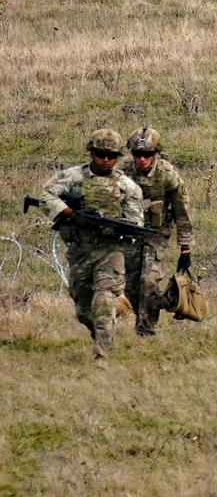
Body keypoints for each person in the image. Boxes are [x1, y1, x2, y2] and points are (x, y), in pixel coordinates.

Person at [40, 129, 144, 359]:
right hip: (80, 250)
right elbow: (46, 195)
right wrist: (70, 213)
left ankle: (102, 355)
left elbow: (136, 221)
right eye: (100, 154)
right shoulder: (73, 177)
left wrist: (115, 225)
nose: (105, 160)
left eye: (111, 156)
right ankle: (103, 328)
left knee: (104, 299)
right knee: (83, 308)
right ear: (91, 153)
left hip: (111, 251)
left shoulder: (127, 186)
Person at [119, 127, 194, 335]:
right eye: (137, 154)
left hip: (157, 233)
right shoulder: (122, 170)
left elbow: (182, 210)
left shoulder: (168, 175)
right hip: (130, 233)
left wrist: (185, 248)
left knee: (150, 282)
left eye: (147, 154)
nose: (142, 159)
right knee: (132, 286)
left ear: (156, 154)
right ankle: (164, 298)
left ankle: (146, 331)